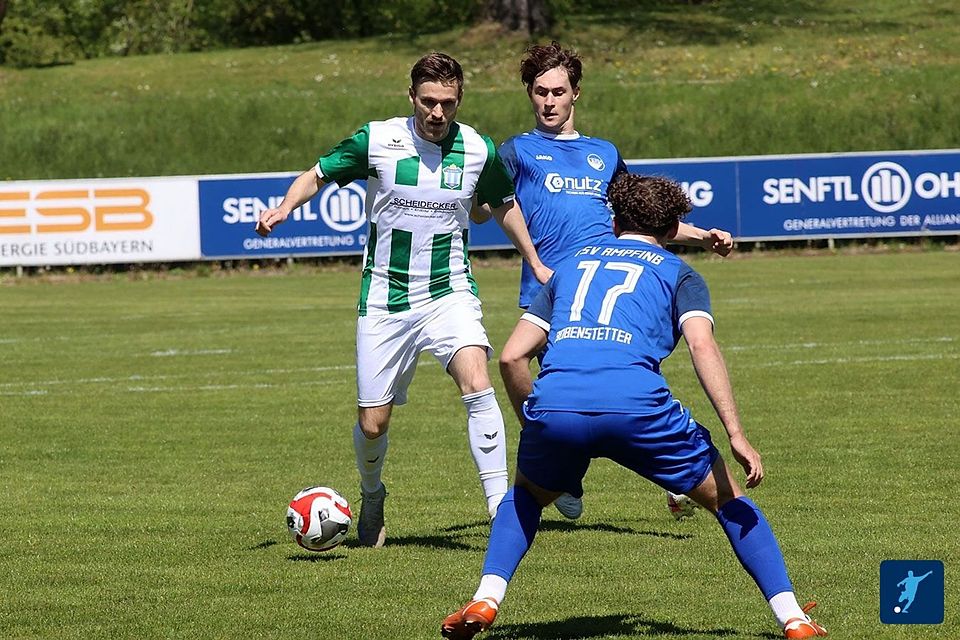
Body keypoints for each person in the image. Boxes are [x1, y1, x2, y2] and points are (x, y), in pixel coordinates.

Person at [441, 174, 826, 639]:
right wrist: (737, 434)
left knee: (524, 496)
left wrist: (535, 421)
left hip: (558, 402)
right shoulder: (679, 272)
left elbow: (510, 357)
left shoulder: (570, 265)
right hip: (637, 406)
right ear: (670, 229)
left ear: (615, 219)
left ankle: (486, 598)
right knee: (729, 500)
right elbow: (702, 348)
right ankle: (794, 620)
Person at [255, 52, 542, 547]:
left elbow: (503, 205)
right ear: (411, 97)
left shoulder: (477, 148)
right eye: (428, 101)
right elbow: (316, 174)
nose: (437, 112)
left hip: (449, 290)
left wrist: (535, 262)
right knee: (373, 423)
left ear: (459, 101)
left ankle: (501, 511)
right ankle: (372, 495)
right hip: (386, 298)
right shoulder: (377, 139)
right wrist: (284, 206)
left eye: (447, 103)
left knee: (476, 379)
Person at [490, 41, 733, 521]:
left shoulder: (604, 154)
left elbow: (641, 215)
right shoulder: (516, 152)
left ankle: (676, 472)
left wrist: (703, 236)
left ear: (575, 93)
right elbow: (494, 206)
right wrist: (535, 261)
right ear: (529, 94)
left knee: (635, 386)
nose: (549, 102)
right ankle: (556, 468)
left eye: (558, 91)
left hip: (619, 290)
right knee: (557, 394)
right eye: (540, 92)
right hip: (554, 294)